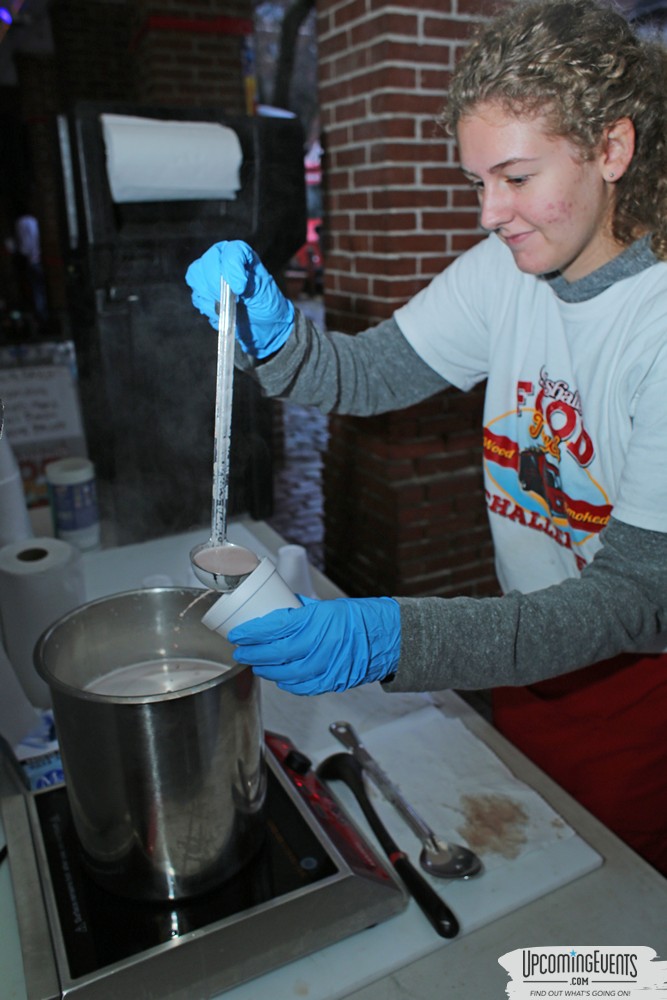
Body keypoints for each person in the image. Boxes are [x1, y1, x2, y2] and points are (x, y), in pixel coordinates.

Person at [185, 0, 667, 876]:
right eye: (477, 182)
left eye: (515, 178)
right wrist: (270, 332)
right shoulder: (508, 271)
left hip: (638, 690)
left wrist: (398, 638)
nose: (489, 212)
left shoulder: (656, 324)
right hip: (527, 652)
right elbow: (362, 376)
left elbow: (632, 599)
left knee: (616, 914)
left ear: (611, 150)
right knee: (541, 866)